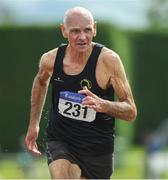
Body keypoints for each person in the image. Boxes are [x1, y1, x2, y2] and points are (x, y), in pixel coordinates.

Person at [25, 6, 137, 179]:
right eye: (75, 31)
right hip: (61, 139)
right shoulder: (51, 59)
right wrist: (34, 124)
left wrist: (104, 105)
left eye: (87, 30)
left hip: (97, 147)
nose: (82, 37)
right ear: (64, 31)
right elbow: (40, 82)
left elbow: (130, 111)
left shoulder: (109, 61)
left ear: (95, 29)